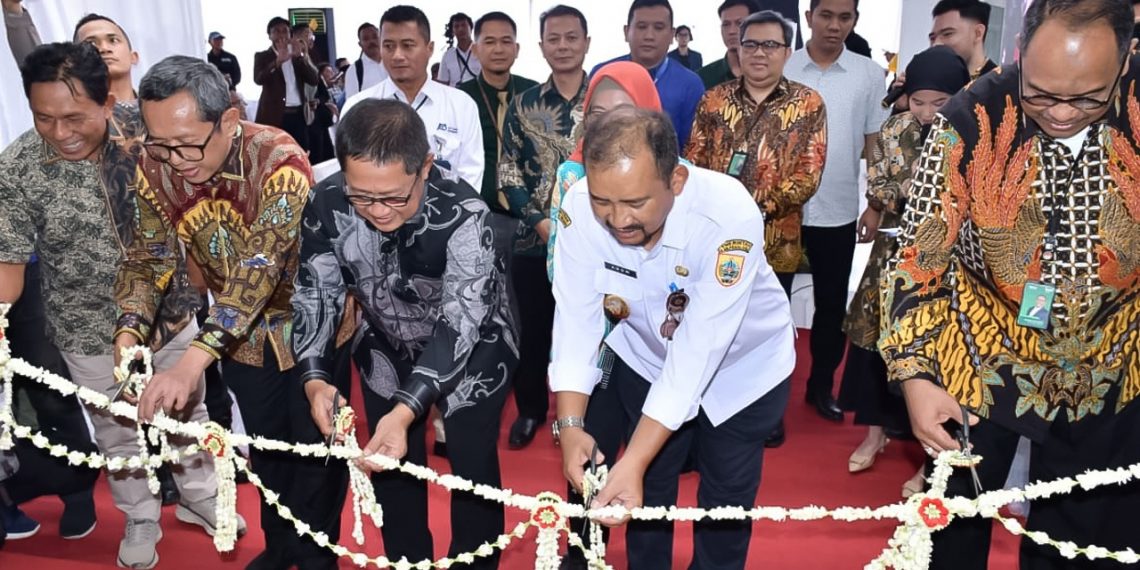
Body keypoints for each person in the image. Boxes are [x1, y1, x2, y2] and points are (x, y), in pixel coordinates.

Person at [881, 1, 1140, 568]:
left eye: (1088, 97)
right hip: (981, 345)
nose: (1063, 114)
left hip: (1113, 358)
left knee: (1091, 536)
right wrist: (917, 377)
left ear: (1125, 64)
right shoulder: (969, 115)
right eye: (1042, 94)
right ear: (1021, 53)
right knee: (953, 522)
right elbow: (917, 256)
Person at [0, 43, 236, 569]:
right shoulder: (16, 170)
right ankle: (140, 517)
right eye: (44, 118)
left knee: (187, 410)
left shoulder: (149, 132)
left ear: (107, 103)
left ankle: (199, 498)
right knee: (118, 432)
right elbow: (8, 269)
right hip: (86, 328)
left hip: (170, 310)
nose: (60, 133)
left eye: (74, 117)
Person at [118, 56, 339, 570]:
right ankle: (281, 548)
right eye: (160, 144)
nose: (175, 160)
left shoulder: (278, 159)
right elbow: (148, 257)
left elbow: (260, 268)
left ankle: (317, 556)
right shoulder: (155, 165)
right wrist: (129, 328)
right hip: (239, 338)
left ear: (230, 121)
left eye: (188, 143)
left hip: (312, 327)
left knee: (316, 453)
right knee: (266, 447)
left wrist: (191, 363)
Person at [550, 108, 794, 570]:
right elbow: (576, 317)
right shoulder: (580, 208)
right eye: (604, 200)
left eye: (636, 203)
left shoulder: (726, 212)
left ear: (676, 179)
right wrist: (571, 425)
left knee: (725, 500)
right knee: (646, 494)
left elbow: (700, 347)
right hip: (645, 359)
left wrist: (634, 458)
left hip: (742, 371)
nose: (617, 219)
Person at [294, 98, 518, 570]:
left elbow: (461, 321)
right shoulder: (327, 199)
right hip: (384, 336)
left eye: (394, 197)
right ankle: (407, 561)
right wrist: (314, 378)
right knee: (391, 467)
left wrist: (408, 409)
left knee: (471, 465)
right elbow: (317, 292)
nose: (377, 210)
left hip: (476, 342)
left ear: (425, 166)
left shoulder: (464, 213)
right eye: (362, 196)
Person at [684, 9, 828, 448]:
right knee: (708, 322)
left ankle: (767, 411)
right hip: (713, 239)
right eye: (751, 44)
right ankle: (699, 408)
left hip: (774, 240)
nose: (759, 53)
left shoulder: (808, 104)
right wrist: (718, 211)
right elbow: (693, 162)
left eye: (770, 45)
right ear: (737, 48)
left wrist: (748, 208)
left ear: (787, 52)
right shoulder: (713, 100)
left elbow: (808, 175)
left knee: (766, 331)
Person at [837, 46, 969, 499]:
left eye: (940, 102)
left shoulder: (974, 130)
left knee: (933, 360)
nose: (929, 113)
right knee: (876, 348)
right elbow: (879, 185)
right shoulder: (895, 129)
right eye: (919, 101)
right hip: (894, 256)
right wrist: (907, 189)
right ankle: (875, 434)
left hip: (950, 265)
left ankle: (929, 459)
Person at [785, 0, 888, 424]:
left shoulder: (869, 75)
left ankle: (820, 387)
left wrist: (876, 204)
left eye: (844, 18)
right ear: (810, 17)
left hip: (839, 211)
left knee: (831, 307)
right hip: (782, 213)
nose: (834, 25)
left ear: (855, 21)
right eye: (826, 16)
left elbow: (876, 144)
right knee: (770, 305)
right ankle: (767, 400)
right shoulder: (784, 66)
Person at [495, 5, 590, 451]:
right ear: (541, 46)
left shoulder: (605, 99)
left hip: (601, 243)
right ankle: (532, 410)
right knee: (534, 332)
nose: (563, 46)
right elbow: (508, 172)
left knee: (593, 333)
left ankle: (585, 417)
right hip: (536, 243)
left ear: (587, 43)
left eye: (572, 37)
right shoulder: (524, 104)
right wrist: (540, 223)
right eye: (554, 38)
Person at [343, 5, 484, 193]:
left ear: (430, 48)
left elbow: (470, 176)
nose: (397, 55)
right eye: (388, 46)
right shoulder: (357, 108)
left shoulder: (461, 105)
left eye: (408, 45)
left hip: (449, 217)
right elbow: (350, 177)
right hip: (376, 216)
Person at [591, 0, 705, 151]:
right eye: (641, 27)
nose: (649, 36)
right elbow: (590, 137)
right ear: (626, 32)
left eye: (658, 28)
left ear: (672, 35)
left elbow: (693, 149)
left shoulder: (691, 84)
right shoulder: (603, 74)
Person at [457, 12, 538, 216]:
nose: (499, 49)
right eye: (490, 42)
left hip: (531, 212)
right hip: (477, 210)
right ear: (475, 50)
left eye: (506, 41)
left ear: (516, 49)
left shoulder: (534, 93)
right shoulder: (461, 98)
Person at [253, 16, 320, 150]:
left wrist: (300, 57)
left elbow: (314, 79)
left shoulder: (296, 55)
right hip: (275, 116)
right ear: (269, 36)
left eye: (285, 31)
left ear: (290, 34)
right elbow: (258, 79)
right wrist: (277, 62)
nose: (281, 35)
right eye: (276, 31)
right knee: (275, 155)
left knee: (300, 153)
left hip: (298, 115)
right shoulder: (262, 56)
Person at [699, 0, 762, 89]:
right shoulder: (703, 78)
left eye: (739, 23)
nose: (731, 31)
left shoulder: (772, 76)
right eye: (726, 24)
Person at [930, 0, 997, 80]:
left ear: (978, 33)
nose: (936, 44)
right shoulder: (933, 82)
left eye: (947, 34)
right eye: (932, 38)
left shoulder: (999, 85)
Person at [343, 22, 388, 101]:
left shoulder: (393, 63)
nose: (371, 41)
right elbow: (351, 103)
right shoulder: (354, 70)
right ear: (360, 44)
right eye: (366, 39)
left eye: (375, 37)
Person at [438, 12, 480, 86]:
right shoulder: (448, 56)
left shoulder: (482, 50)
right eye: (456, 26)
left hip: (479, 95)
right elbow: (442, 84)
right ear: (453, 31)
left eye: (464, 25)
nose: (460, 29)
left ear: (471, 28)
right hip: (455, 96)